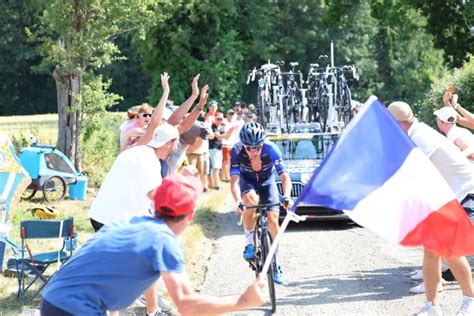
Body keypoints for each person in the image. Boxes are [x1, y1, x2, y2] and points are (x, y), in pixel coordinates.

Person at [41, 174, 267, 316]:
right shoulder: (163, 241)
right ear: (191, 214)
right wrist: (242, 301)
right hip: (74, 308)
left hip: (53, 299)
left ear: (156, 205)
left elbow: (104, 280)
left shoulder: (125, 224)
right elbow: (188, 306)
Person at [387, 101, 474, 315]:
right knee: (432, 251)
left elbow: (411, 172)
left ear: (398, 125)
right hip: (448, 195)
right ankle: (432, 307)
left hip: (464, 193)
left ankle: (470, 302)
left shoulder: (421, 138)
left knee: (448, 249)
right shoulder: (415, 134)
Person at [230, 122, 293, 285]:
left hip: (267, 182)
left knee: (273, 219)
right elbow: (234, 181)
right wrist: (237, 200)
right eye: (249, 148)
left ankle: (276, 263)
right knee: (250, 202)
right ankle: (250, 244)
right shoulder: (236, 151)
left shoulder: (271, 149)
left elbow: (285, 177)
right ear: (243, 146)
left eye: (257, 147)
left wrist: (286, 196)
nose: (253, 151)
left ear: (262, 144)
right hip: (247, 182)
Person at [208, 112, 236, 190]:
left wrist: (231, 131)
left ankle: (213, 184)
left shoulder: (221, 127)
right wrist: (229, 131)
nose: (220, 120)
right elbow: (219, 137)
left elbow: (226, 137)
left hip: (218, 148)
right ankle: (216, 185)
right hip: (213, 148)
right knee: (215, 168)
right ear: (215, 119)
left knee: (216, 167)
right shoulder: (213, 127)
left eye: (221, 119)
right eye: (218, 119)